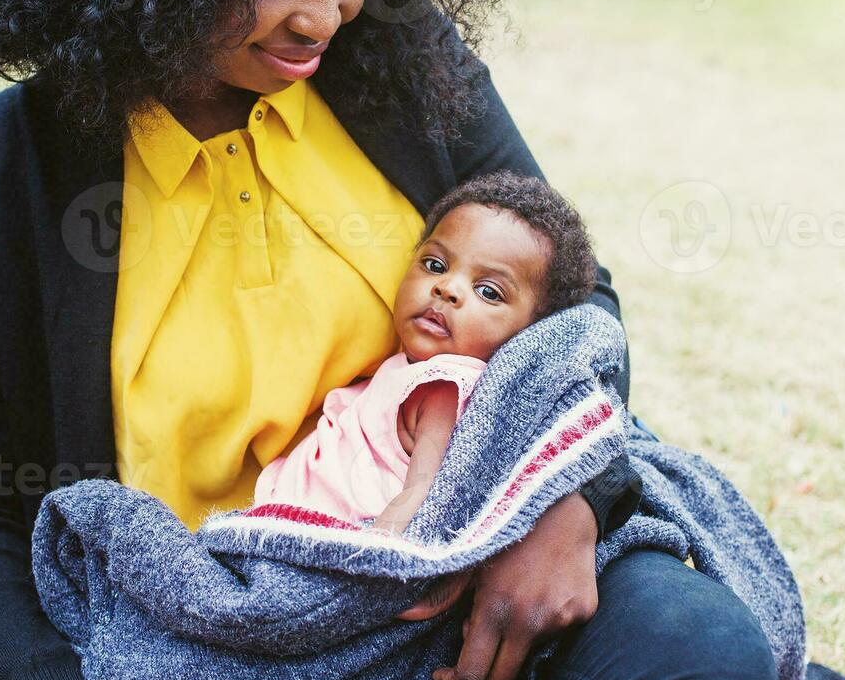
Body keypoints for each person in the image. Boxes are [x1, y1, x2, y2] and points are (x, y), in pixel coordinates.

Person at [0, 0, 782, 680]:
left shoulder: (401, 71)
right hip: (214, 632)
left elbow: (574, 298)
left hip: (475, 550)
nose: (323, 16)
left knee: (704, 658)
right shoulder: (6, 171)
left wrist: (562, 497)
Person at [252, 171, 601, 534]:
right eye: (435, 265)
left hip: (331, 542)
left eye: (488, 291)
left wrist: (379, 551)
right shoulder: (414, 369)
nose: (447, 288)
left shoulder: (444, 384)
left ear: (529, 332)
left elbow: (424, 488)